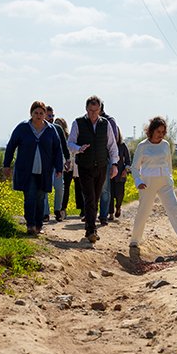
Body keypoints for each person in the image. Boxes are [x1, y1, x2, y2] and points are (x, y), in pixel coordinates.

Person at [129, 116, 177, 249]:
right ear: (151, 131)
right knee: (143, 211)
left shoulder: (165, 145)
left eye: (163, 132)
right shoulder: (142, 146)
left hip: (164, 182)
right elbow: (134, 167)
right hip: (147, 183)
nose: (161, 135)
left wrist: (170, 180)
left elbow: (169, 164)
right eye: (158, 132)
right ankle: (135, 240)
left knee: (175, 209)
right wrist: (138, 181)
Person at [3, 101, 64, 236]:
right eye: (35, 113)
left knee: (41, 197)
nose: (38, 115)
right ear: (31, 113)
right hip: (27, 170)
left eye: (41, 113)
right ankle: (30, 224)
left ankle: (38, 225)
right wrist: (6, 164)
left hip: (45, 170)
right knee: (30, 196)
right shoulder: (23, 128)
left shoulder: (50, 130)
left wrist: (59, 167)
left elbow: (57, 150)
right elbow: (11, 146)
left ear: (45, 115)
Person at [66, 95, 119, 243]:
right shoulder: (78, 123)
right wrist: (79, 148)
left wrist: (114, 164)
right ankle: (91, 230)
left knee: (95, 197)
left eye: (95, 111)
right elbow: (70, 143)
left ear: (100, 110)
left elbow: (112, 146)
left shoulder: (105, 124)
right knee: (89, 197)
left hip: (101, 166)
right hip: (84, 166)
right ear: (86, 109)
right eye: (90, 110)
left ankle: (90, 227)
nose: (92, 114)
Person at [42, 106, 70, 221]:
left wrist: (67, 160)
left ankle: (57, 209)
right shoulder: (40, 129)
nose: (51, 118)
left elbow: (64, 146)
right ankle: (45, 213)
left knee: (59, 188)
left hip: (57, 163)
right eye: (49, 116)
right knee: (44, 189)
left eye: (52, 116)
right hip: (44, 164)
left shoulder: (58, 129)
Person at [98, 105, 122, 225]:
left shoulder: (109, 122)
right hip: (90, 159)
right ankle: (90, 215)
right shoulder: (86, 121)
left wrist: (114, 163)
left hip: (105, 159)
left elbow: (113, 142)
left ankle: (103, 215)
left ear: (100, 109)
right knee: (89, 190)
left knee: (105, 189)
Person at [109, 136, 131, 218]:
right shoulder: (107, 145)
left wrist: (126, 170)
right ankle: (110, 213)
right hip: (109, 174)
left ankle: (118, 207)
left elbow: (128, 161)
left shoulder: (122, 146)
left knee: (119, 194)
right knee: (109, 194)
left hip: (120, 175)